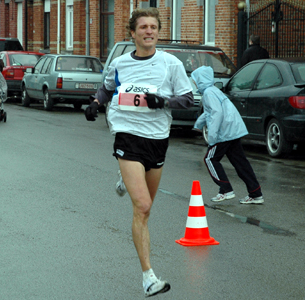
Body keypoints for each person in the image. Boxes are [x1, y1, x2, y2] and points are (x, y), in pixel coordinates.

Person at [84, 7, 194, 297]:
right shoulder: (120, 63)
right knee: (142, 206)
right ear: (132, 33)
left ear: (158, 32)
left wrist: (164, 101)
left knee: (146, 210)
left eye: (153, 27)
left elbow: (188, 99)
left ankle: (125, 179)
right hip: (127, 135)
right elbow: (107, 89)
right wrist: (95, 103)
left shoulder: (171, 64)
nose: (149, 31)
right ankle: (148, 277)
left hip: (157, 138)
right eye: (143, 27)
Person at [192, 66, 264, 204]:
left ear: (200, 80)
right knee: (240, 162)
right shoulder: (214, 90)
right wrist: (198, 124)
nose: (194, 82)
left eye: (195, 79)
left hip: (224, 132)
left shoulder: (208, 93)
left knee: (210, 159)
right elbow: (210, 112)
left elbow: (216, 113)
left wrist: (212, 137)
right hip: (233, 130)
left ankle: (226, 190)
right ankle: (256, 193)